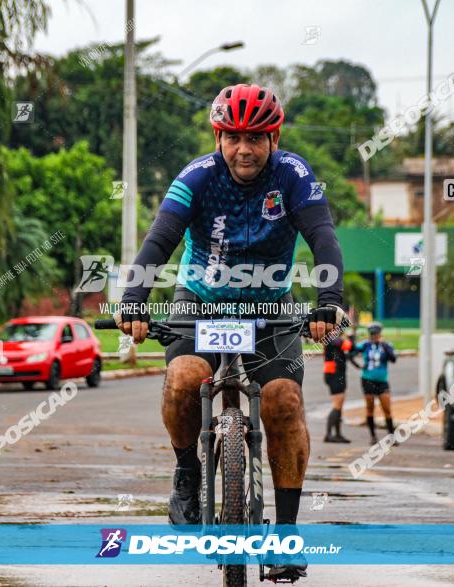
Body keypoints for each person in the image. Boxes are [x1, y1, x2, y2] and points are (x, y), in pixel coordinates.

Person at [114, 84, 346, 582]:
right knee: (184, 379)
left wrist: (329, 302)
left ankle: (285, 535)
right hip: (201, 302)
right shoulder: (195, 177)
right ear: (219, 137)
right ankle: (187, 473)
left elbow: (323, 237)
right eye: (234, 137)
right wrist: (134, 299)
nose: (245, 149)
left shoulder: (295, 175)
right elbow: (160, 240)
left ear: (274, 137)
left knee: (283, 402)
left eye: (256, 138)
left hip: (268, 309)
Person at [350, 322, 397, 445]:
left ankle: (392, 436)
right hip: (367, 380)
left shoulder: (387, 345)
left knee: (387, 408)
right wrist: (358, 366)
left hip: (382, 381)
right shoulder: (365, 345)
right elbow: (351, 353)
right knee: (370, 408)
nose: (374, 336)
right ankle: (373, 436)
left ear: (380, 334)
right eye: (372, 334)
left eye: (376, 334)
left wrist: (384, 346)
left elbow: (393, 359)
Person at [323, 329, 354, 443]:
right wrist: (350, 337)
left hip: (337, 374)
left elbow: (349, 350)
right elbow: (348, 346)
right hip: (334, 374)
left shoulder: (332, 339)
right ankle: (328, 434)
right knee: (337, 405)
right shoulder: (332, 339)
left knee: (339, 405)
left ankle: (337, 434)